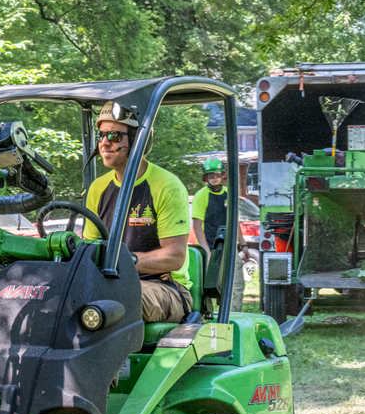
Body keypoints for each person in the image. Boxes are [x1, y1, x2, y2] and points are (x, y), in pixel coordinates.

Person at [82, 101, 193, 323]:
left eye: (114, 136)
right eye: (101, 135)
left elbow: (174, 256)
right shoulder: (98, 188)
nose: (104, 142)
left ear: (138, 139)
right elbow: (89, 247)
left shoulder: (166, 185)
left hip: (164, 287)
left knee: (114, 301)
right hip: (109, 283)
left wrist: (121, 260)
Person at [191, 157, 244, 313]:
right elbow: (197, 225)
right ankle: (205, 316)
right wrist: (206, 251)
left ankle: (233, 317)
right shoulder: (201, 195)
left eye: (217, 174)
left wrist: (244, 244)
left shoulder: (229, 194)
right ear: (205, 177)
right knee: (207, 287)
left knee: (236, 285)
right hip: (210, 247)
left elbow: (234, 222)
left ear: (223, 175)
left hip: (229, 247)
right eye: (211, 175)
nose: (214, 178)